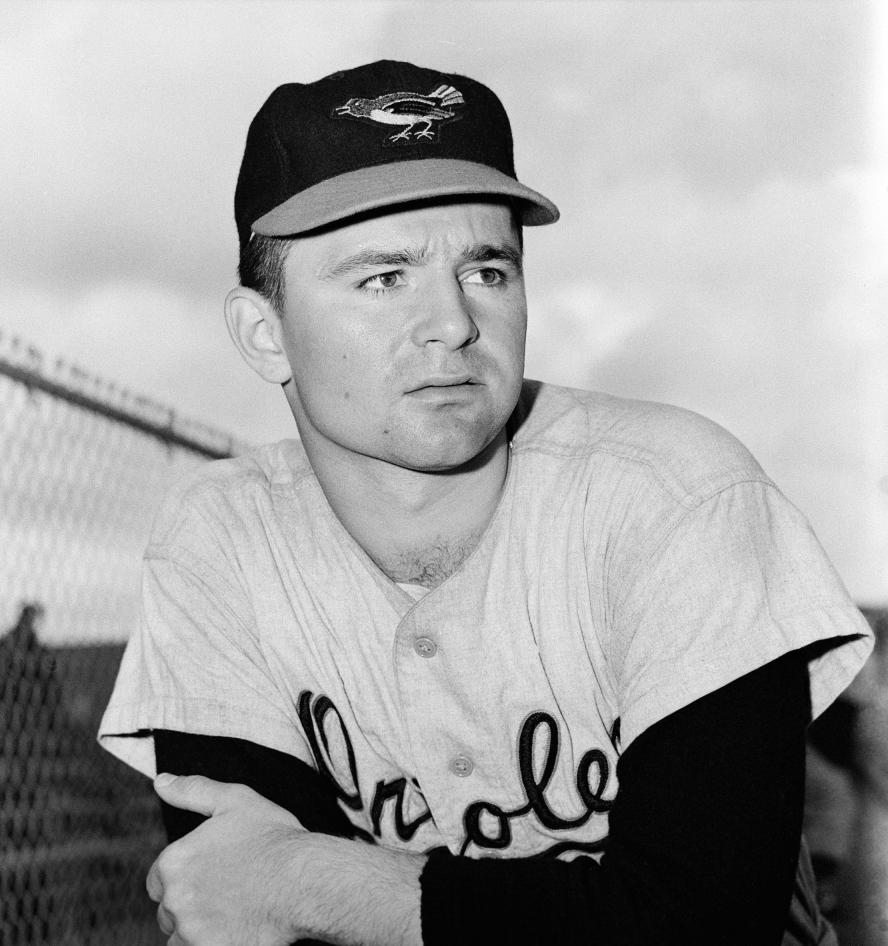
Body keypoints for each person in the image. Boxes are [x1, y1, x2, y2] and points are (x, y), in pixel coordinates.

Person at [99, 60, 874, 946]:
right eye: (383, 277)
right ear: (263, 333)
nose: (455, 323)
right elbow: (237, 903)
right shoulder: (223, 543)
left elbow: (704, 924)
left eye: (488, 270)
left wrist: (317, 879)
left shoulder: (675, 495)